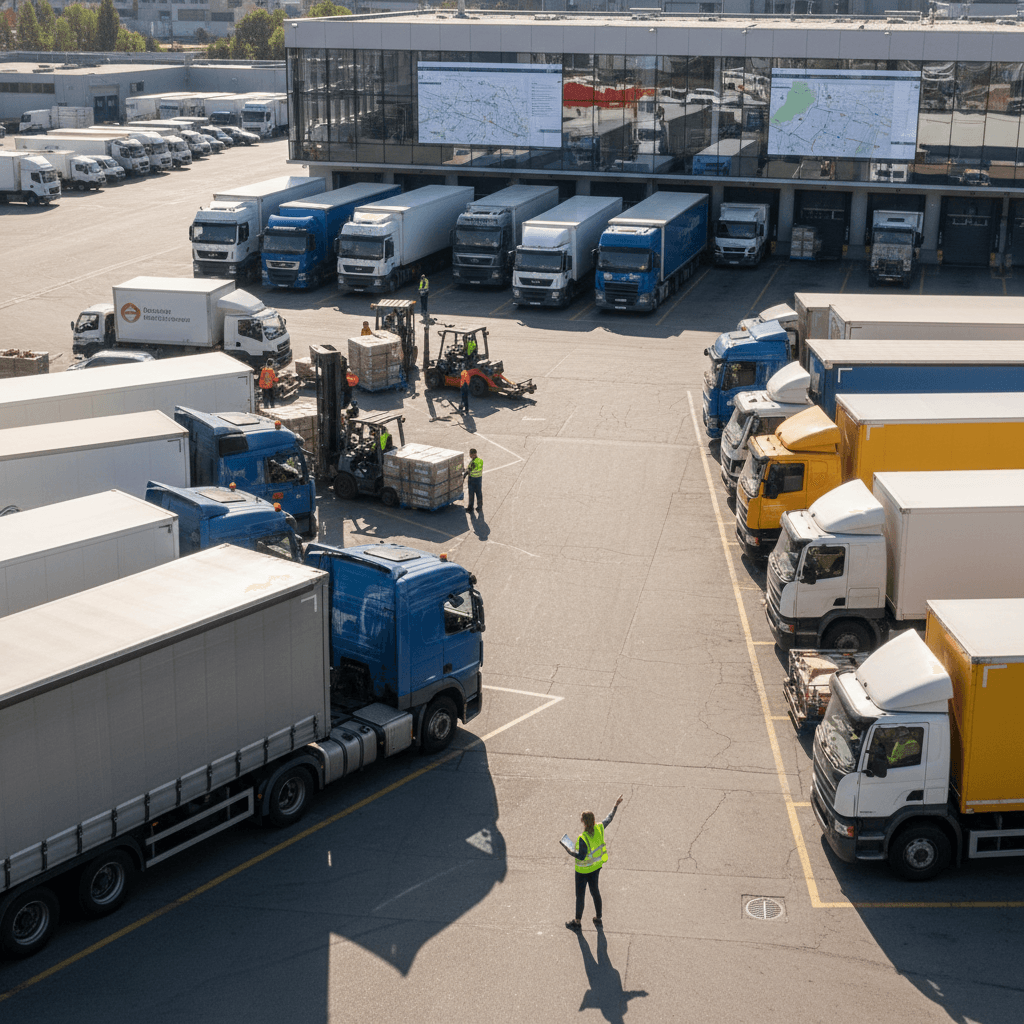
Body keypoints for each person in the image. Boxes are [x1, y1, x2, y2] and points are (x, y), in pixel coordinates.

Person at [565, 796, 623, 931]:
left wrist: (568, 849)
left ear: (584, 822)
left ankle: (577, 922)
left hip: (582, 871)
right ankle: (598, 918)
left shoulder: (583, 838)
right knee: (595, 891)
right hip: (596, 868)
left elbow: (581, 855)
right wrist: (615, 805)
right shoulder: (599, 827)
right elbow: (609, 818)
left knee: (580, 895)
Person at [464, 448, 483, 514]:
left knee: (471, 494)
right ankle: (479, 507)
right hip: (479, 480)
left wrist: (464, 475)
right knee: (479, 493)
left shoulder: (473, 462)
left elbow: (469, 470)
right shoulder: (480, 460)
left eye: (470, 454)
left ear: (471, 454)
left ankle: (470, 508)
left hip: (472, 480)